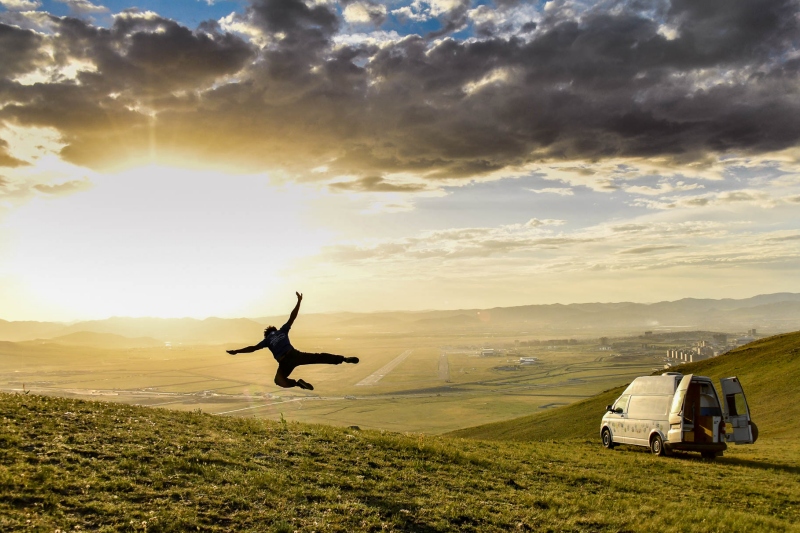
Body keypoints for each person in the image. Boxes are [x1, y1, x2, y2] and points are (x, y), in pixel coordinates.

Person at [227, 292, 358, 390]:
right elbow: (292, 316)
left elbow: (252, 348)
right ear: (275, 329)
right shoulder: (282, 330)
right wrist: (299, 301)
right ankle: (344, 359)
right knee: (318, 357)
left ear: (266, 334)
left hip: (284, 362)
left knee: (278, 381)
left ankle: (297, 383)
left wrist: (236, 351)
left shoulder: (266, 340)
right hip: (294, 354)